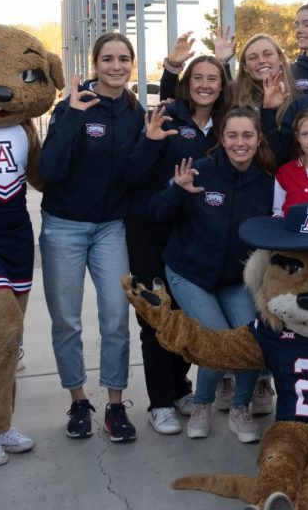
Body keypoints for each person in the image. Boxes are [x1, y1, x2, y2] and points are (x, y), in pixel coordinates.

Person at [38, 33, 143, 441]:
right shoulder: (72, 107)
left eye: (123, 59)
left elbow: (134, 173)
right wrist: (72, 117)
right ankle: (79, 399)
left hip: (111, 227)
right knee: (66, 319)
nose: (116, 66)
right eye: (108, 59)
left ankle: (116, 405)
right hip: (64, 225)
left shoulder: (135, 113)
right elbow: (51, 170)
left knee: (116, 317)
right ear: (95, 63)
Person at [152, 108, 276, 444]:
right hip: (190, 273)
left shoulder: (266, 183)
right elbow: (158, 211)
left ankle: (240, 407)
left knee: (250, 337)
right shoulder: (198, 171)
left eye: (247, 135)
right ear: (221, 139)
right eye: (232, 135)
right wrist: (177, 190)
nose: (240, 143)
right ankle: (203, 405)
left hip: (234, 278)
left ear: (258, 139)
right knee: (218, 340)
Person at [123, 55, 233, 429]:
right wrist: (151, 142)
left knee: (187, 313)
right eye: (198, 77)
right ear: (187, 83)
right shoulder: (167, 115)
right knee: (156, 314)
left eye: (213, 78)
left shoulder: (224, 126)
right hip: (149, 227)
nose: (205, 84)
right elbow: (133, 174)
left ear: (222, 85)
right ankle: (159, 403)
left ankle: (179, 386)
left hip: (191, 230)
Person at [230, 33, 298, 123]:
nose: (261, 61)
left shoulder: (297, 96)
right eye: (253, 58)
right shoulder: (233, 98)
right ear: (245, 67)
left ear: (280, 59)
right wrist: (222, 61)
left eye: (268, 54)